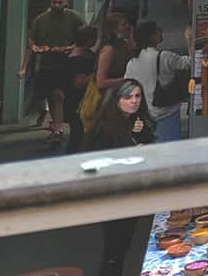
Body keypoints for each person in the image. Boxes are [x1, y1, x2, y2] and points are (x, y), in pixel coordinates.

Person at [87, 80, 156, 275]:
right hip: (112, 193)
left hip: (130, 190)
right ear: (117, 100)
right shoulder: (105, 127)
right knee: (114, 245)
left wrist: (141, 135)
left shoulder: (138, 121)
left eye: (137, 96)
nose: (134, 101)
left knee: (123, 242)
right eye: (128, 97)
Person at [18, 0, 84, 146]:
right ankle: (56, 125)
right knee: (51, 96)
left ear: (66, 2)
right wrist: (24, 67)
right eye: (54, 2)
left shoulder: (75, 18)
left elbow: (86, 38)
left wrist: (72, 48)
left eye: (60, 2)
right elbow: (31, 44)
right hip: (47, 64)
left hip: (68, 63)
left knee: (59, 96)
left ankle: (58, 128)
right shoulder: (40, 20)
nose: (57, 5)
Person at [126, 19, 191, 143]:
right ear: (151, 36)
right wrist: (190, 41)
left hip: (145, 116)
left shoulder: (132, 62)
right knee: (170, 150)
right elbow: (190, 62)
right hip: (167, 113)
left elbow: (127, 85)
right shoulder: (165, 57)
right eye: (158, 30)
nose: (161, 32)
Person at [78, 11, 134, 145]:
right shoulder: (108, 50)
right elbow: (101, 82)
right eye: (123, 25)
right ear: (113, 29)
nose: (127, 27)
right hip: (108, 102)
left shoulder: (123, 46)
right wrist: (126, 80)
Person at [64, 25, 99, 152]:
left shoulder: (80, 54)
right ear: (89, 39)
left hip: (77, 101)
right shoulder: (79, 60)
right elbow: (79, 83)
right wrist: (96, 73)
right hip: (78, 102)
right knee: (78, 135)